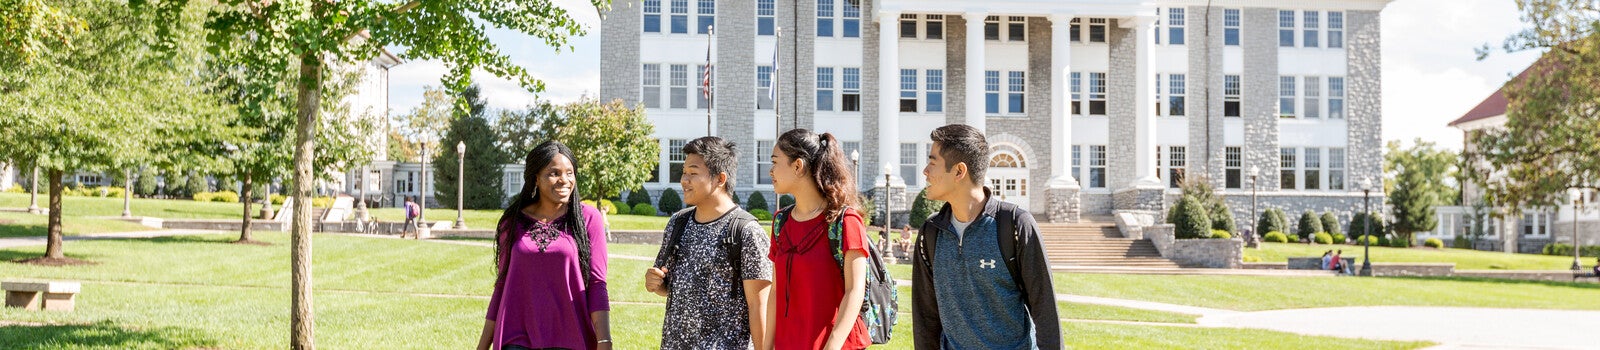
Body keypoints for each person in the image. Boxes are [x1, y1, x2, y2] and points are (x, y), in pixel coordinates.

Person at [913, 124, 1061, 350]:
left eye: (933, 163)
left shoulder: (1015, 224)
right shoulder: (931, 232)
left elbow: (1045, 309)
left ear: (959, 171)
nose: (925, 171)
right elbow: (925, 315)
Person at [477, 140, 612, 350]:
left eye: (569, 173)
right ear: (536, 179)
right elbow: (502, 285)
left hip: (570, 338)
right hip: (517, 339)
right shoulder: (512, 222)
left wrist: (604, 341)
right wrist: (483, 345)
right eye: (554, 173)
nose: (564, 180)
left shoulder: (588, 218)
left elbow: (597, 284)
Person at [645, 137, 775, 349]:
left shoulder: (746, 232)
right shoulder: (678, 223)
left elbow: (758, 306)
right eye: (684, 172)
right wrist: (656, 283)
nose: (684, 180)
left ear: (720, 179)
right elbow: (669, 286)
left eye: (693, 173)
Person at [767, 128, 871, 350]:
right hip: (789, 343)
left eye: (776, 162)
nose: (771, 171)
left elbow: (855, 291)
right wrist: (766, 346)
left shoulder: (845, 221)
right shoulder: (780, 222)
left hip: (834, 344)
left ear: (798, 166)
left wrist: (831, 346)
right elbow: (775, 292)